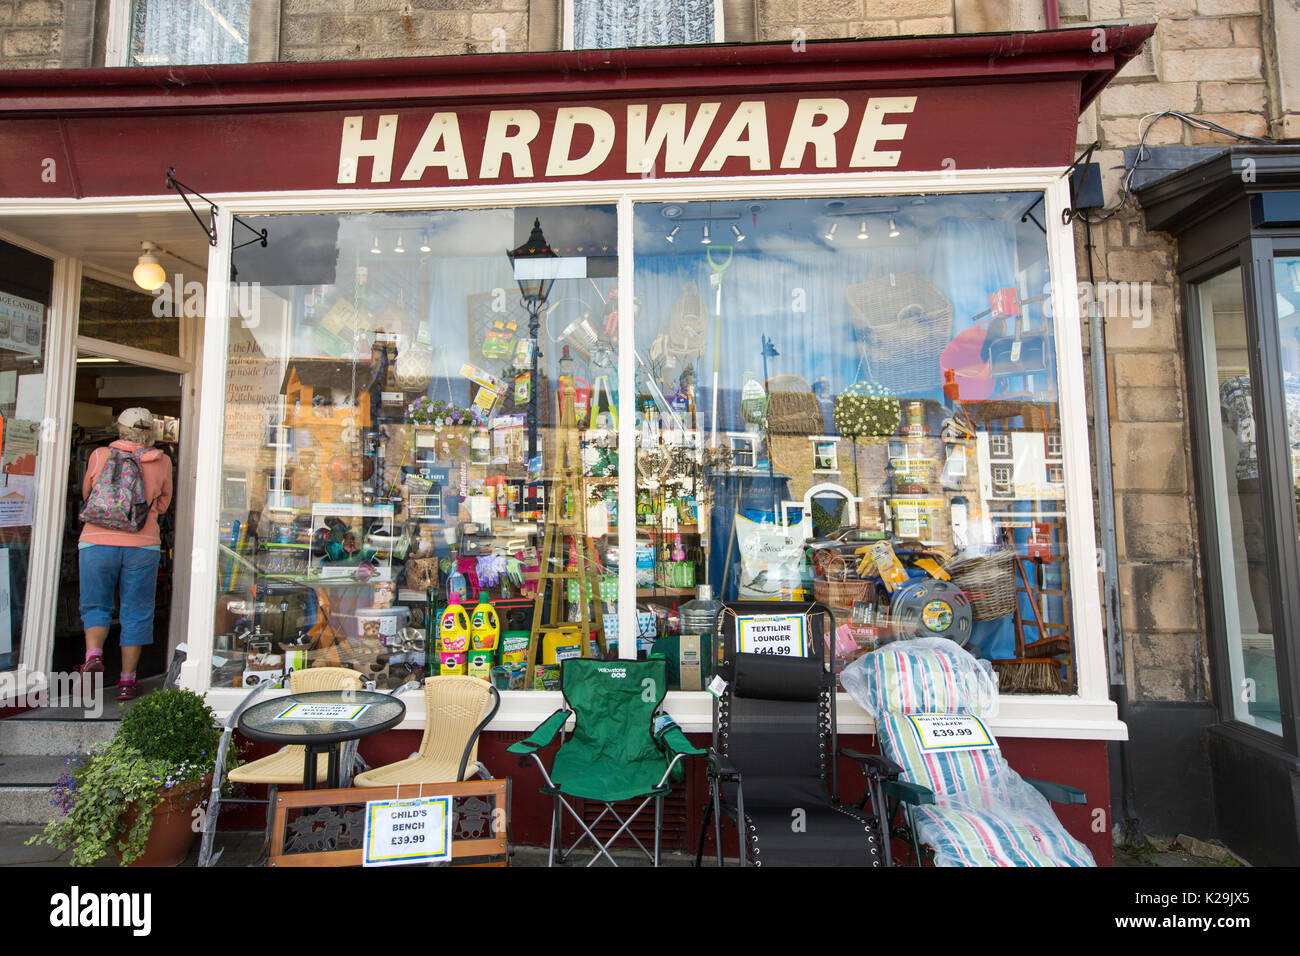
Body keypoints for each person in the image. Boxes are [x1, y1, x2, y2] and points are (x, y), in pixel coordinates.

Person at [76, 408, 173, 701]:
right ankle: (128, 681)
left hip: (96, 540)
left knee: (95, 604)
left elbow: (87, 494)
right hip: (142, 544)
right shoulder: (162, 460)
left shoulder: (99, 455)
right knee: (137, 611)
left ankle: (93, 655)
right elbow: (164, 503)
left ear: (120, 429)